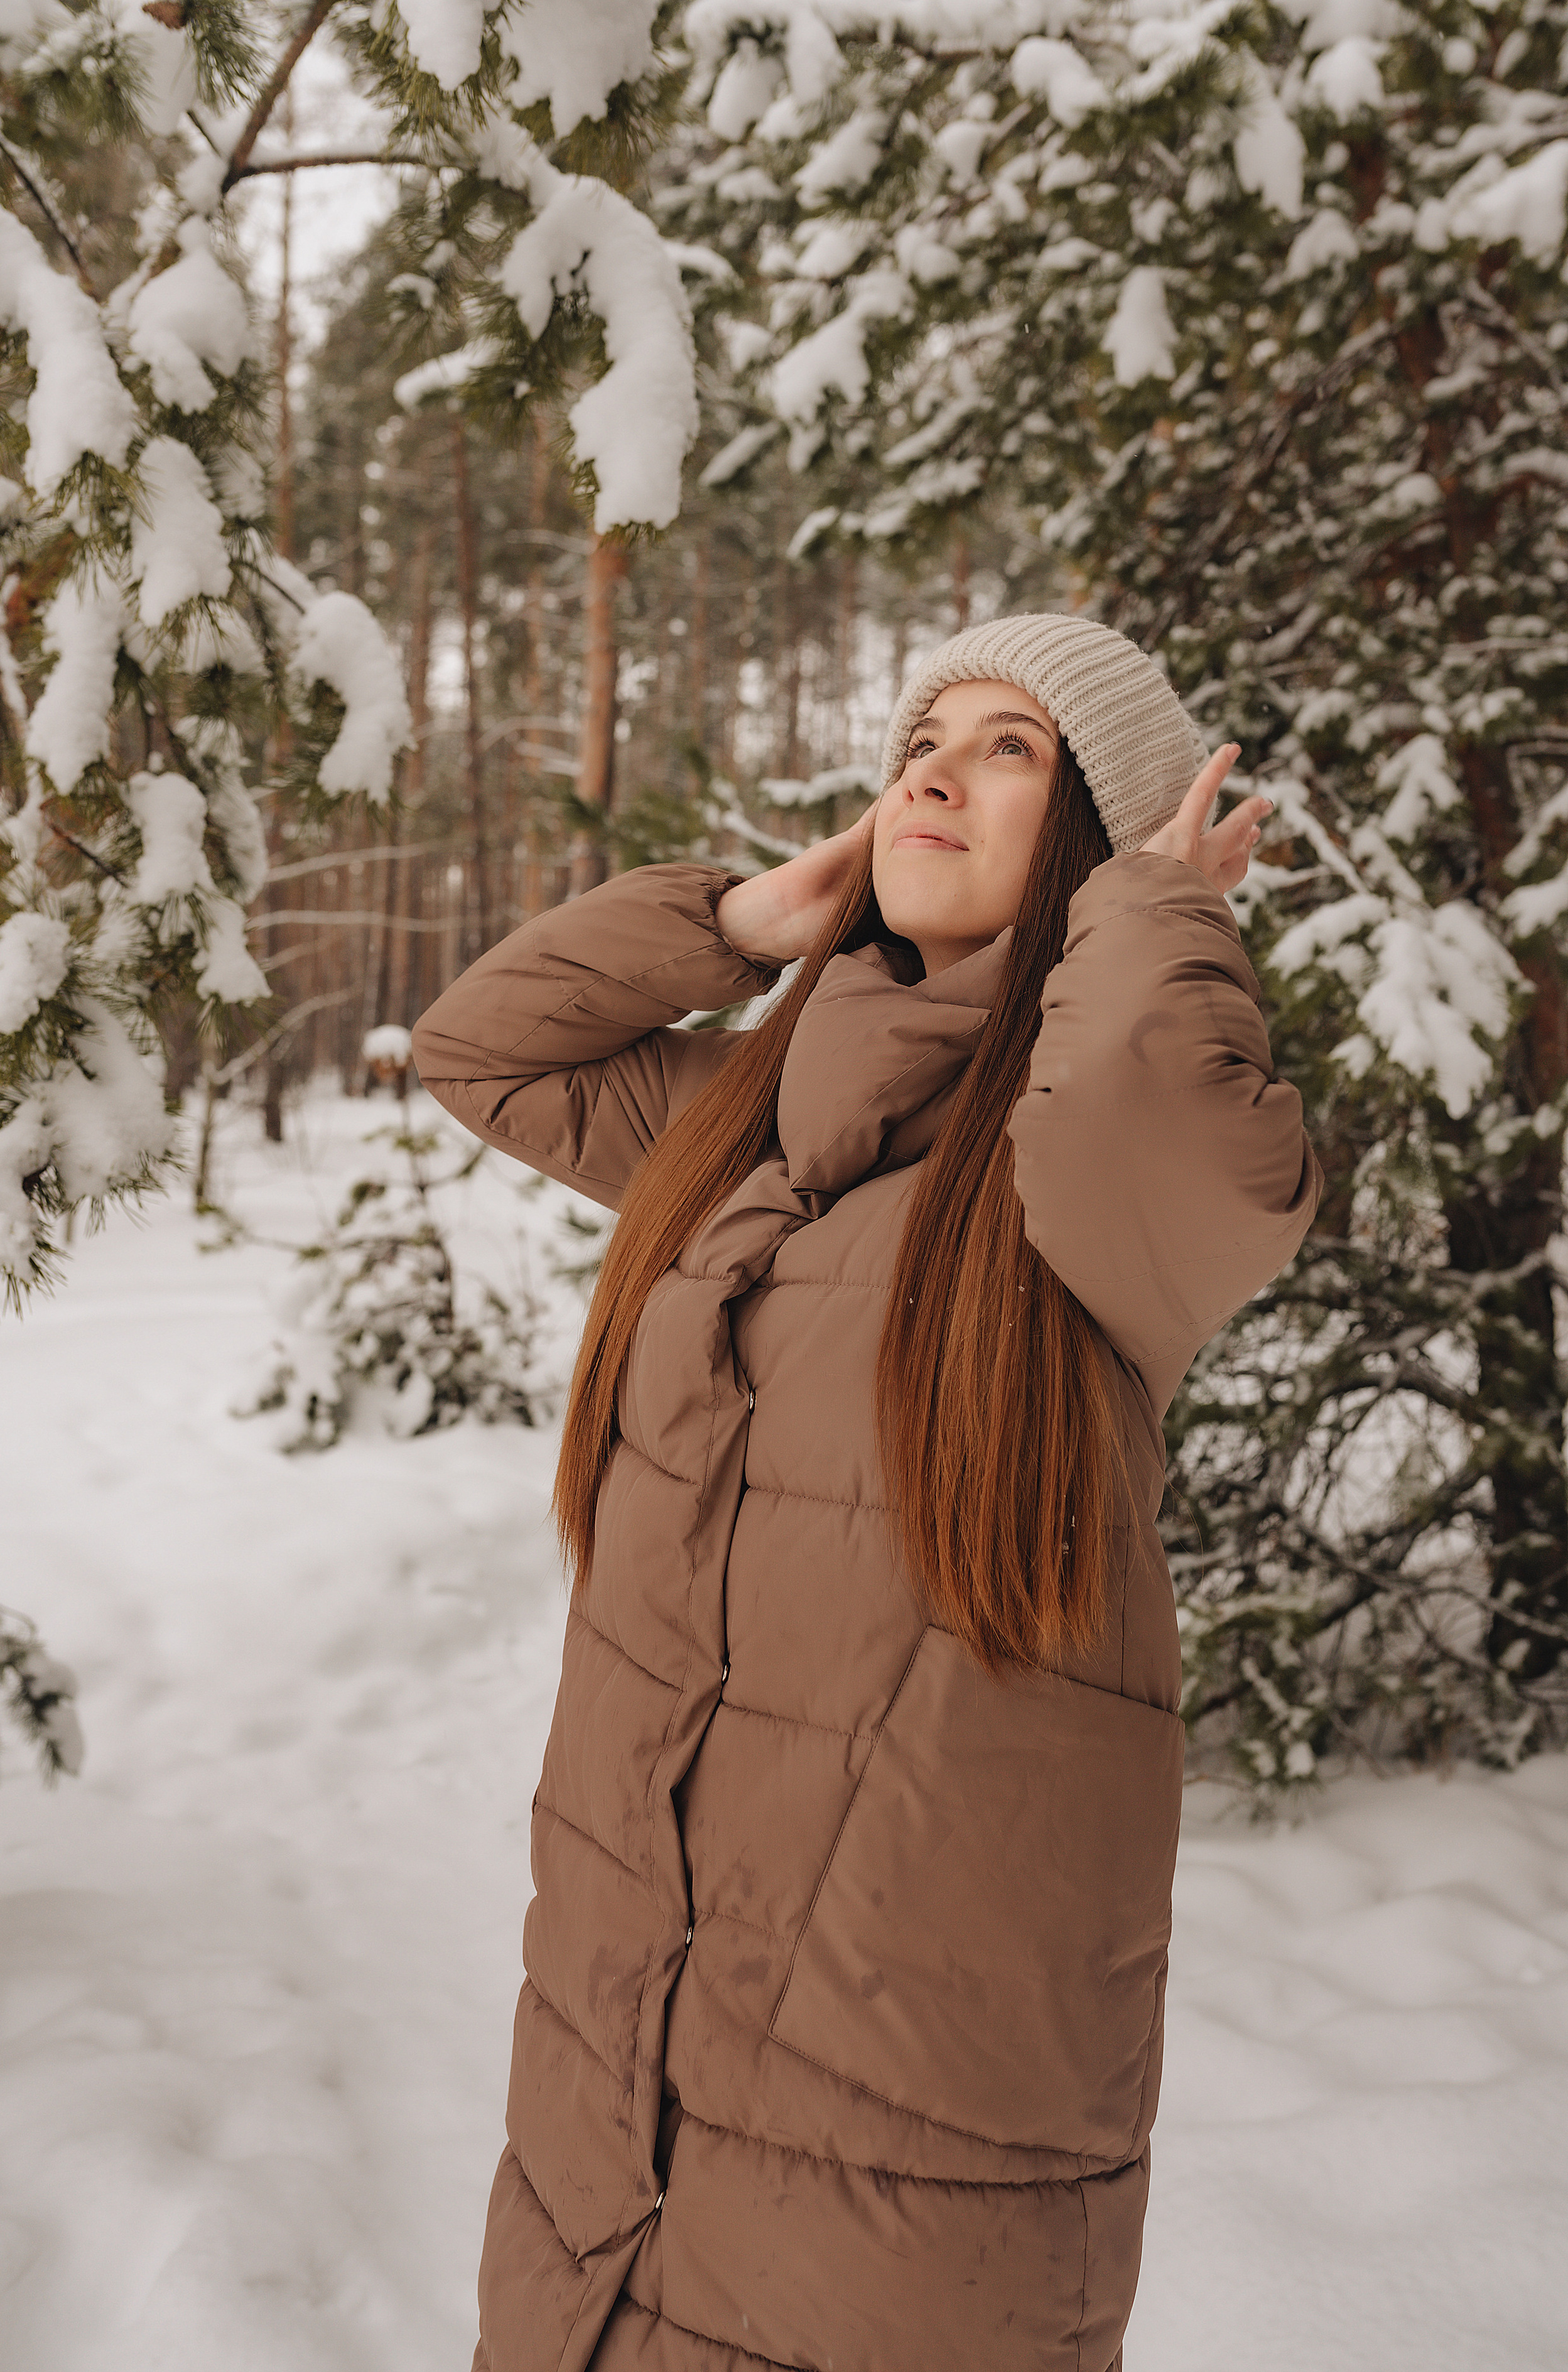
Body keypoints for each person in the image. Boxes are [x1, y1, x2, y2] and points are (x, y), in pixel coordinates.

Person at [414, 613, 1321, 2372]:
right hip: (617, 2072)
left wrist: (1152, 906)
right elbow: (487, 1054)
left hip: (901, 2104)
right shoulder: (748, 1137)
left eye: (1011, 751)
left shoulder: (1093, 1199)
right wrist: (743, 922)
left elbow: (1149, 1101)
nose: (933, 769)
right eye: (922, 739)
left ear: (1095, 842)